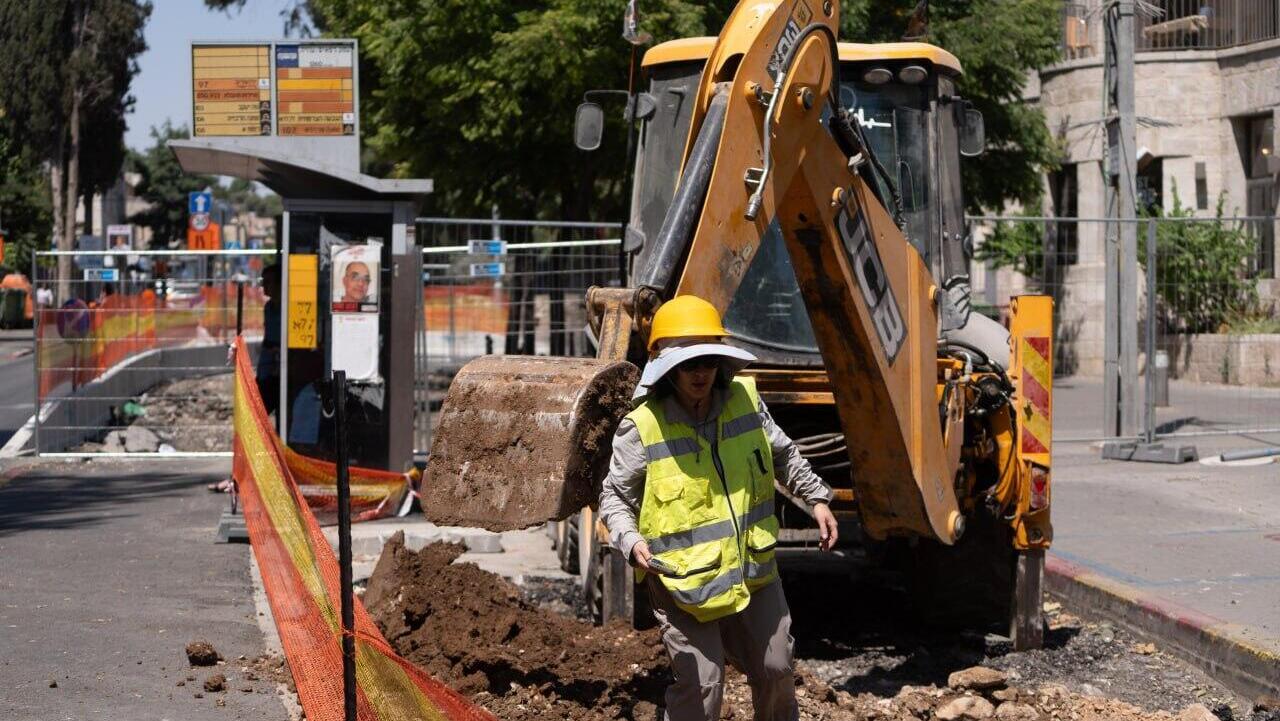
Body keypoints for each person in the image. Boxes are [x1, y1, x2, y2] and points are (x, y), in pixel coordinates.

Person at [598, 294, 839, 721]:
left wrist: (816, 497)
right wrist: (632, 542)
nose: (699, 373)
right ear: (668, 368)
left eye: (707, 362)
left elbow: (782, 454)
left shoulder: (745, 401)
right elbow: (614, 498)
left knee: (777, 666)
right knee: (702, 683)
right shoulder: (643, 427)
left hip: (753, 569)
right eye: (689, 364)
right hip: (681, 581)